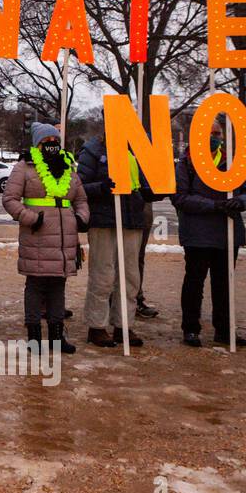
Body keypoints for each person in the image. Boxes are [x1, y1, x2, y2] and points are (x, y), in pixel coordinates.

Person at [2, 123, 88, 354]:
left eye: (55, 139)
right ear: (37, 144)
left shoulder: (68, 167)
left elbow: (81, 199)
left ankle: (57, 336)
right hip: (37, 237)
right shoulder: (24, 167)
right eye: (46, 140)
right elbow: (10, 199)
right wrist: (30, 218)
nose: (52, 143)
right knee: (35, 286)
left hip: (64, 239)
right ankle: (34, 336)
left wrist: (81, 218)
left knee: (58, 287)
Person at [171, 122, 246, 347]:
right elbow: (180, 197)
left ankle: (224, 329)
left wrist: (241, 202)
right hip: (197, 233)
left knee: (224, 283)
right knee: (194, 282)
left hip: (227, 233)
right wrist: (215, 205)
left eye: (217, 133)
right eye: (209, 133)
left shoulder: (231, 161)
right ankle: (190, 328)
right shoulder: (187, 162)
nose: (214, 137)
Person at [77, 122, 153, 348]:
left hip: (131, 220)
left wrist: (153, 191)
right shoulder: (93, 151)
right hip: (103, 221)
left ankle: (124, 325)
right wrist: (101, 187)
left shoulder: (138, 151)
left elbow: (147, 183)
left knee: (130, 276)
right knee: (102, 274)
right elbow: (79, 186)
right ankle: (97, 326)